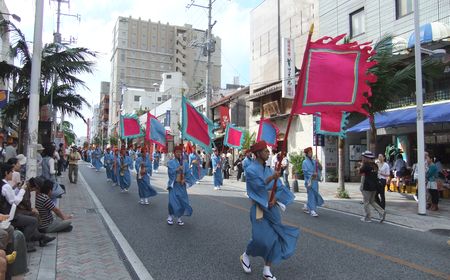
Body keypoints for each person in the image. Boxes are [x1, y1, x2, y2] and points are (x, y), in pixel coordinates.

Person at [239, 141, 299, 280]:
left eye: (267, 150)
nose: (268, 153)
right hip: (259, 208)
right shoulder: (251, 169)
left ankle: (267, 269)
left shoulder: (269, 169)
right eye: (265, 151)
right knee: (260, 239)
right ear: (258, 154)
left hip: (272, 208)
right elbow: (257, 187)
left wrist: (275, 199)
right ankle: (246, 255)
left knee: (274, 238)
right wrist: (272, 178)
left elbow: (279, 187)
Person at [166, 145, 194, 226]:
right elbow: (170, 173)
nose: (178, 153)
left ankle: (179, 218)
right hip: (174, 185)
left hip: (181, 185)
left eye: (180, 152)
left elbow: (188, 174)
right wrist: (177, 169)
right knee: (172, 202)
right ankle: (170, 216)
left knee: (182, 201)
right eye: (177, 152)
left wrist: (185, 179)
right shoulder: (171, 162)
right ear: (174, 153)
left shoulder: (185, 163)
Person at [359, 151, 386, 223]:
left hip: (367, 186)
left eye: (364, 157)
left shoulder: (365, 165)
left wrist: (361, 164)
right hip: (375, 186)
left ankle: (367, 217)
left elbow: (360, 172)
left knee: (366, 202)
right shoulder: (375, 165)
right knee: (371, 201)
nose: (363, 158)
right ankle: (382, 212)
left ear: (367, 158)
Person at [302, 147, 324, 217]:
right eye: (310, 152)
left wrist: (318, 162)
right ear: (307, 154)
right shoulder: (304, 162)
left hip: (315, 181)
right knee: (311, 195)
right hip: (309, 181)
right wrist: (312, 174)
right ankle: (312, 210)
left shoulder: (314, 161)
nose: (311, 153)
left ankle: (307, 206)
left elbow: (320, 168)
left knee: (314, 194)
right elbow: (305, 172)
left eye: (311, 152)